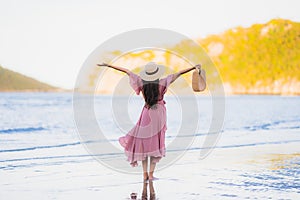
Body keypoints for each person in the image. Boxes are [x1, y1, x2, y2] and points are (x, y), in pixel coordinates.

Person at [97, 62, 201, 181]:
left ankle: (145, 175)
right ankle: (151, 175)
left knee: (144, 144)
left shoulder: (141, 82)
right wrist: (193, 67)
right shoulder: (162, 82)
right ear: (156, 74)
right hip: (158, 115)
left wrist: (108, 65)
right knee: (155, 144)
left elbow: (126, 71)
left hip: (146, 113)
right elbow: (179, 73)